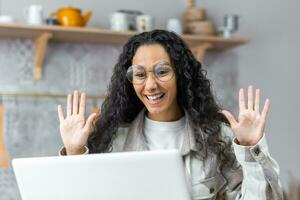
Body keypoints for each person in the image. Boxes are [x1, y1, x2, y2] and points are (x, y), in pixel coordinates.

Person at [57, 30, 283, 199]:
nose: (151, 85)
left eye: (162, 71)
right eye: (140, 74)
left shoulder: (217, 138)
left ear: (181, 75)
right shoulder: (112, 140)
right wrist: (74, 153)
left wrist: (251, 148)